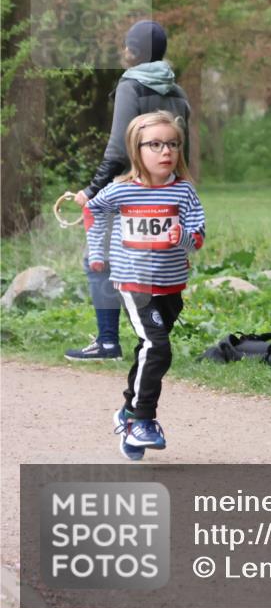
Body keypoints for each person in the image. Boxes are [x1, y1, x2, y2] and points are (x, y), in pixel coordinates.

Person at [65, 20, 191, 361]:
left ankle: (108, 342)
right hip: (167, 189)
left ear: (134, 51)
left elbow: (119, 150)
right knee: (154, 261)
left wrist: (92, 191)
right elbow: (184, 150)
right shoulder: (178, 92)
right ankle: (153, 338)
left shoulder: (130, 85)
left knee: (99, 260)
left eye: (127, 45)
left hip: (127, 189)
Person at [86, 110, 205, 461]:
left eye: (172, 144)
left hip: (171, 287)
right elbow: (94, 211)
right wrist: (97, 252)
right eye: (155, 144)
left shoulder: (183, 192)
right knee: (158, 348)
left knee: (149, 350)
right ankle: (142, 421)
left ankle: (125, 413)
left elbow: (198, 238)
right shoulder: (122, 190)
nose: (165, 151)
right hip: (133, 284)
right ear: (137, 150)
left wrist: (180, 236)